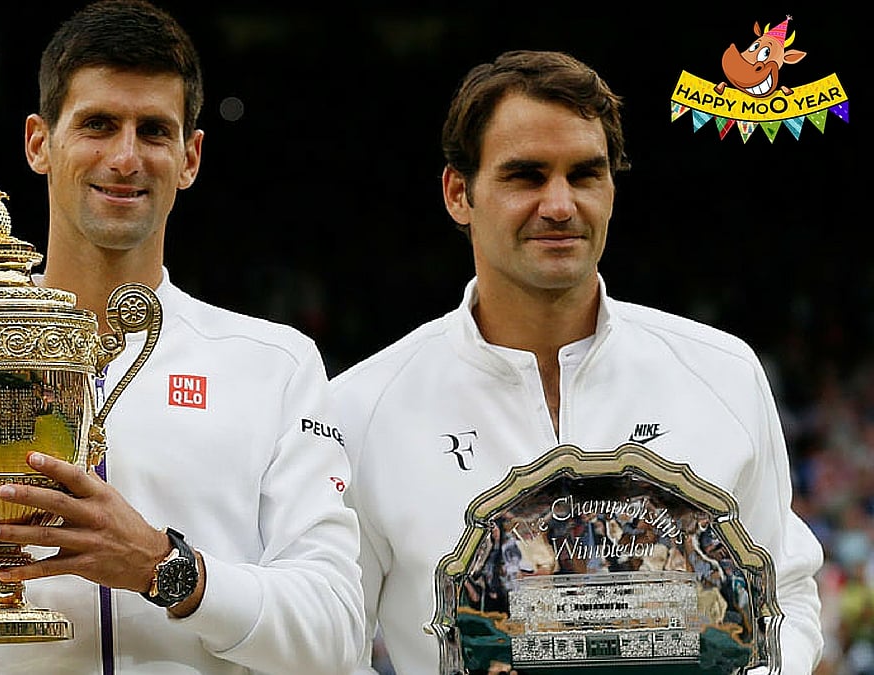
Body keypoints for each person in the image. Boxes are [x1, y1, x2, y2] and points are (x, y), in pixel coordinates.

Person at [0, 1, 364, 673]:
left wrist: (166, 568)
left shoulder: (276, 367)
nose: (126, 157)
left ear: (190, 157)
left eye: (153, 130)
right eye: (98, 124)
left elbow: (337, 634)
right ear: (39, 142)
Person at [331, 49, 824, 675]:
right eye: (526, 176)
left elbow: (785, 590)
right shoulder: (361, 408)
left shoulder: (723, 373)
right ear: (459, 193)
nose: (560, 205)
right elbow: (332, 649)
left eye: (585, 174)